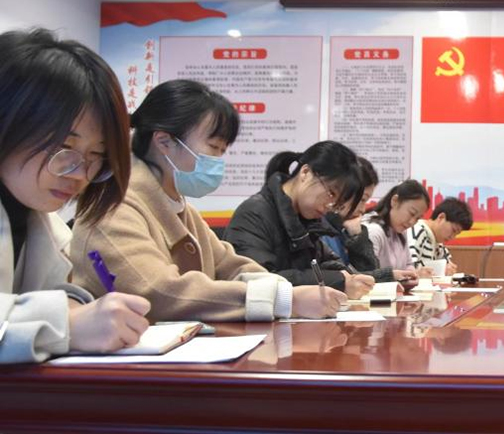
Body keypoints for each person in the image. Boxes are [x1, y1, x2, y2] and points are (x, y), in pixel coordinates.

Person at [71, 80, 344, 321]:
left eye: (222, 151)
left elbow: (229, 264)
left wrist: (284, 291)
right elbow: (157, 292)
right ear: (164, 142)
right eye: (213, 147)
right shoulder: (113, 205)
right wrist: (283, 300)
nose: (217, 161)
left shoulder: (178, 206)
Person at [0, 28, 150, 363]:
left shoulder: (39, 219)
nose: (81, 174)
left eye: (97, 155)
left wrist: (73, 304)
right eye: (64, 147)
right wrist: (65, 324)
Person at [224, 141, 374, 299]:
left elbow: (329, 264)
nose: (329, 207)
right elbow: (257, 281)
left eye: (337, 204)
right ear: (305, 172)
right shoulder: (254, 214)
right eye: (331, 194)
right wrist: (338, 281)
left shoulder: (310, 222)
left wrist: (351, 278)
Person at [322, 158, 419, 285]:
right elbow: (341, 277)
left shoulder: (342, 228)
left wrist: (358, 235)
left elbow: (364, 272)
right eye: (362, 199)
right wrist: (389, 276)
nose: (363, 209)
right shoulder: (322, 229)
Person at [360, 180, 430, 284]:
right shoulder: (373, 230)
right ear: (395, 201)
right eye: (411, 213)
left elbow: (408, 264)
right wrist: (394, 276)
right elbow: (366, 275)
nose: (412, 222)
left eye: (417, 218)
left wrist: (412, 274)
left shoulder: (400, 230)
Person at [407, 197, 473, 276]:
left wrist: (449, 269)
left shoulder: (439, 244)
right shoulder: (417, 232)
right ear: (441, 217)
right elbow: (408, 269)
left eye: (457, 234)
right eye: (453, 230)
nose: (452, 237)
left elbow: (448, 265)